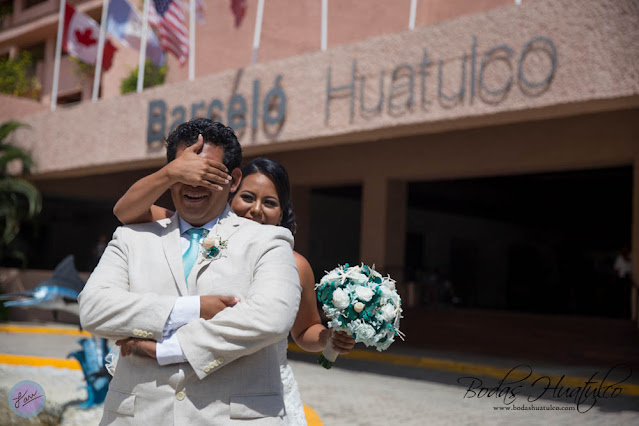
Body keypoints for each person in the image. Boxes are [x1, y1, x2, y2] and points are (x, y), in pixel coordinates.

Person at [79, 119, 303, 425]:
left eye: (207, 173)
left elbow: (271, 317)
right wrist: (192, 308)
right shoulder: (132, 237)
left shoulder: (268, 240)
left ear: (234, 180)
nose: (194, 184)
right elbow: (93, 310)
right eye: (184, 172)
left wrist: (170, 349)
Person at [113, 144, 356, 424]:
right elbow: (125, 210)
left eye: (270, 203)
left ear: (282, 211)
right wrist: (171, 172)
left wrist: (328, 339)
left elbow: (305, 331)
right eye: (248, 197)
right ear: (230, 194)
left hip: (258, 399)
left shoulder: (295, 264)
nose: (256, 210)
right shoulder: (190, 234)